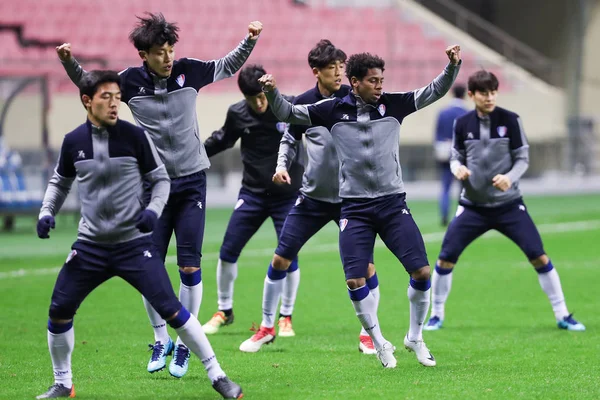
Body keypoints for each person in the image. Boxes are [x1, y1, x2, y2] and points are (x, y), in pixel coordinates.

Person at [56, 13, 262, 377]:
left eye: (170, 50)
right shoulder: (128, 82)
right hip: (153, 187)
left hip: (193, 182)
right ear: (143, 55)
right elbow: (89, 83)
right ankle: (159, 337)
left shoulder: (189, 71)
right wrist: (69, 61)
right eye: (160, 53)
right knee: (148, 266)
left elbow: (227, 65)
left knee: (189, 267)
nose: (168, 58)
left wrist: (249, 40)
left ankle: (183, 344)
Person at [35, 71, 242, 399]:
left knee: (175, 311)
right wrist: (47, 211)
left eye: (118, 97)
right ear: (87, 101)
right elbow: (60, 182)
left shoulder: (134, 137)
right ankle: (63, 383)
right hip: (89, 247)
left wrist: (153, 210)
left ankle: (218, 375)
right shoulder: (74, 142)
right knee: (58, 312)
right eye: (106, 97)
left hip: (132, 245)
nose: (115, 103)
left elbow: (161, 180)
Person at [258, 45, 462, 368]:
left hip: (393, 203)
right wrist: (271, 92)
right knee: (355, 280)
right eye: (373, 81)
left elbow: (434, 91)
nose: (380, 86)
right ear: (354, 82)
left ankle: (415, 337)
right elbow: (288, 115)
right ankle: (378, 341)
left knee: (422, 271)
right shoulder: (331, 110)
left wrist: (452, 66)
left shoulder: (395, 105)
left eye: (382, 80)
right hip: (353, 209)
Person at [238, 39, 380, 355]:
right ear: (316, 72)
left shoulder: (354, 100)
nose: (340, 74)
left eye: (342, 67)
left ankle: (368, 334)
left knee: (365, 268)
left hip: (351, 200)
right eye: (333, 69)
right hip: (313, 198)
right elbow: (289, 139)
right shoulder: (303, 104)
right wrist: (281, 166)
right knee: (280, 259)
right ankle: (266, 327)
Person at [424, 70, 586, 332]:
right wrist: (457, 169)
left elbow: (522, 158)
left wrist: (510, 178)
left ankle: (563, 314)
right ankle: (436, 315)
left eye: (493, 92)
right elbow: (455, 157)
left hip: (509, 206)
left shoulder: (510, 120)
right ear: (472, 95)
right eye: (484, 93)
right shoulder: (462, 123)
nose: (490, 98)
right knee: (445, 260)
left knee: (539, 257)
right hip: (472, 208)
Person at [201, 64, 304, 336]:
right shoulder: (237, 113)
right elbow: (221, 140)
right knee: (227, 251)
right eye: (252, 99)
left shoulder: (288, 107)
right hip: (253, 194)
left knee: (288, 255)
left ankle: (286, 316)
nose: (259, 103)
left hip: (287, 196)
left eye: (262, 96)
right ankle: (225, 309)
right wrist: (194, 155)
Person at [434, 84, 468, 226]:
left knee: (446, 187)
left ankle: (444, 216)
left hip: (445, 152)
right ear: (464, 94)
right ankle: (461, 216)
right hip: (462, 153)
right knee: (463, 188)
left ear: (452, 94)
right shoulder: (467, 113)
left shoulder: (443, 112)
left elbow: (437, 135)